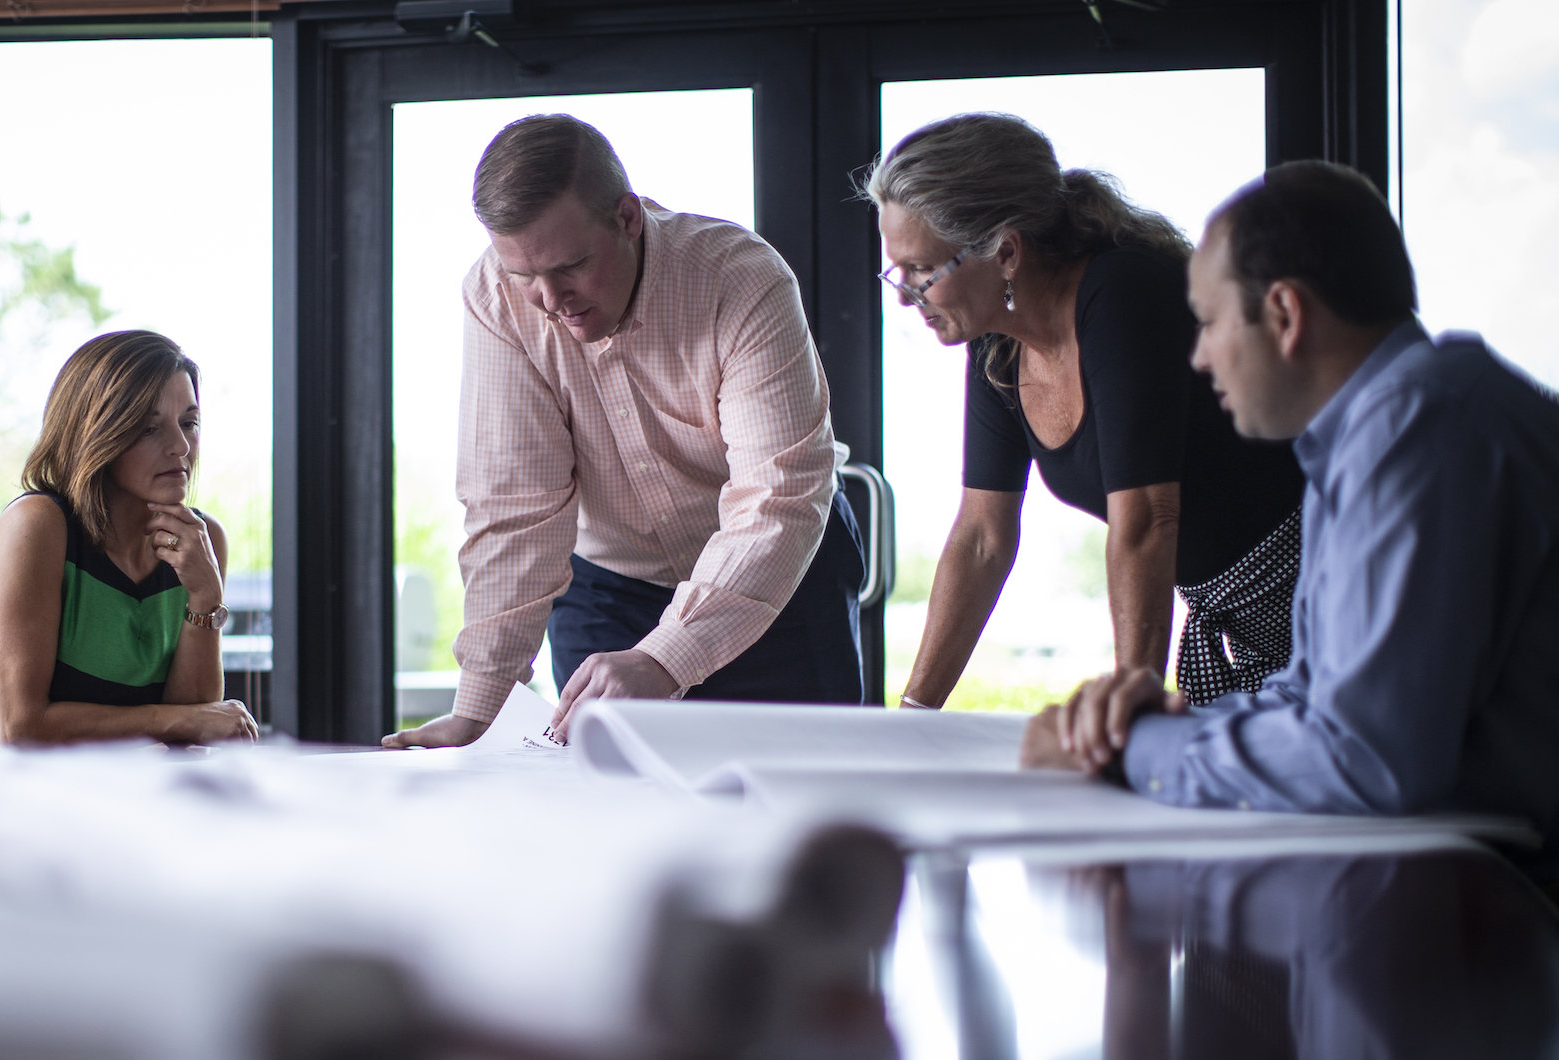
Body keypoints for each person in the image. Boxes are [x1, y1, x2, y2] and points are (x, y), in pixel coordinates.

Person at [1026, 161, 1559, 872]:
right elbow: (1314, 692)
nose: (1200, 356)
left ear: (1285, 313)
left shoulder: (1416, 429)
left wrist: (1133, 752)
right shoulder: (1386, 428)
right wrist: (1161, 722)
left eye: (1209, 323)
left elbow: (1366, 756)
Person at [383, 114, 863, 748]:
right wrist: (480, 709)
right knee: (610, 811)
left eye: (571, 266)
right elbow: (514, 508)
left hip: (784, 577)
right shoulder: (494, 296)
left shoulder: (741, 279)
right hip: (609, 585)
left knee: (804, 806)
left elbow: (775, 496)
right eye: (525, 275)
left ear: (628, 218)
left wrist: (668, 656)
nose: (550, 299)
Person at [863, 114, 1306, 708]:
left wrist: (1131, 712)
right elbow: (981, 539)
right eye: (897, 268)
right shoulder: (997, 344)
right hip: (1239, 625)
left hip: (1326, 593)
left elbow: (1148, 519)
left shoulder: (1121, 293)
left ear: (1007, 252)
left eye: (921, 269)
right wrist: (914, 715)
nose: (902, 292)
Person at [0, 329, 259, 746]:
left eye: (189, 423)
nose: (181, 446)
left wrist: (205, 598)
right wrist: (171, 722)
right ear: (97, 433)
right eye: (150, 428)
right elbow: (21, 729)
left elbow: (192, 726)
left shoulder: (203, 541)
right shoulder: (36, 526)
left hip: (114, 793)